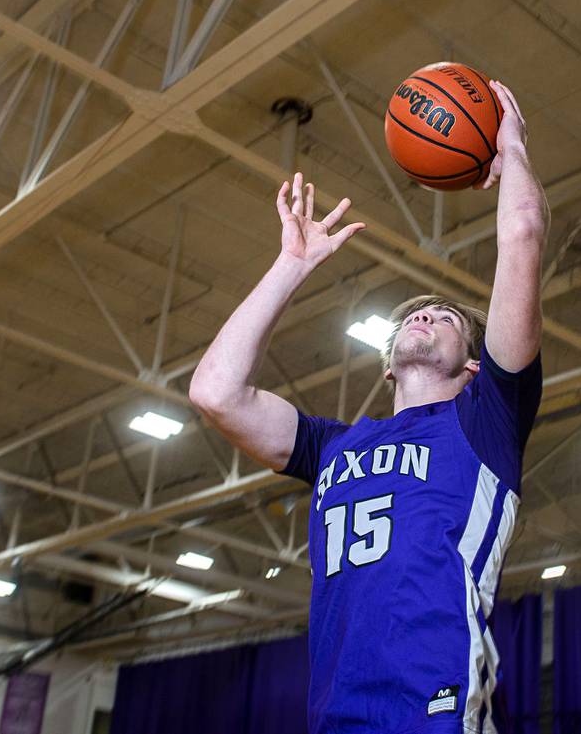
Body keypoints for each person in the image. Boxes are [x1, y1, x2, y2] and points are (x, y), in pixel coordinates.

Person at [189, 79, 549, 733]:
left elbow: (521, 232)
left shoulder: (486, 423)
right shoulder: (333, 447)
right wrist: (290, 266)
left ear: (475, 366)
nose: (426, 315)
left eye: (443, 318)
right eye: (414, 315)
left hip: (435, 716)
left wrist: (513, 144)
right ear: (387, 364)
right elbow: (215, 392)